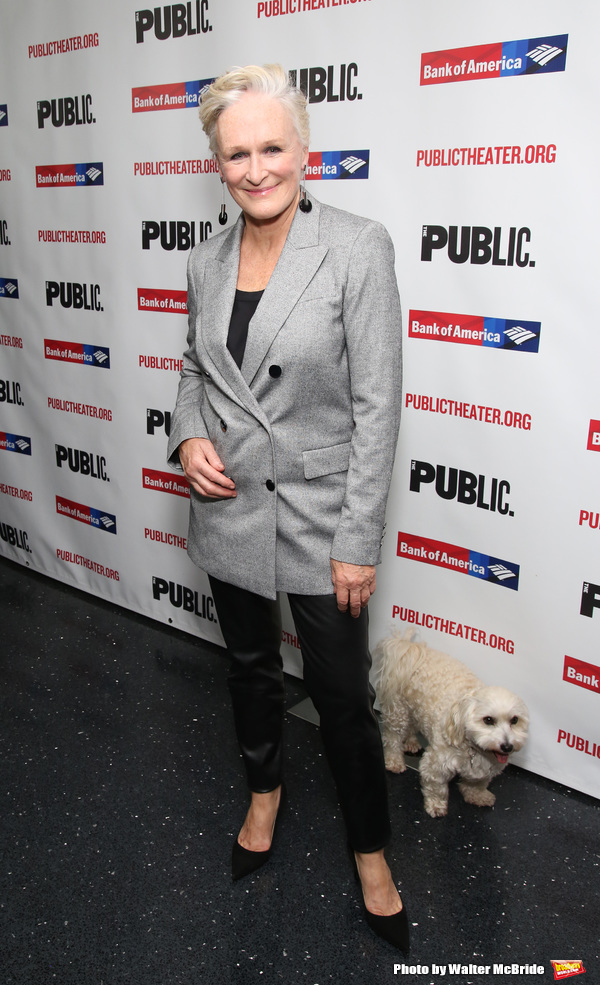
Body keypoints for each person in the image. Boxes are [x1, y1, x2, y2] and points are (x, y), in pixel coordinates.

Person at [167, 64, 406, 951]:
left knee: (342, 697)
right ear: (217, 162)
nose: (256, 167)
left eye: (273, 147)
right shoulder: (203, 258)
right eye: (238, 152)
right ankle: (263, 796)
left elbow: (379, 405)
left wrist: (357, 540)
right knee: (250, 669)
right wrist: (189, 437)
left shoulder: (357, 245)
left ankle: (372, 852)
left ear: (306, 150)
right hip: (229, 504)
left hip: (319, 514)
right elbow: (194, 371)